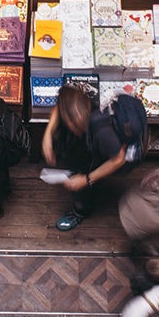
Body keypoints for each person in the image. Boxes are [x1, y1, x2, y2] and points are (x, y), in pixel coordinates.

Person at [42, 84, 127, 231]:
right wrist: (48, 135)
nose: (71, 126)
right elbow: (59, 107)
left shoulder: (101, 130)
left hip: (92, 159)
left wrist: (87, 179)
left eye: (74, 124)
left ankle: (79, 212)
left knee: (83, 192)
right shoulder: (75, 101)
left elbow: (119, 159)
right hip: (77, 150)